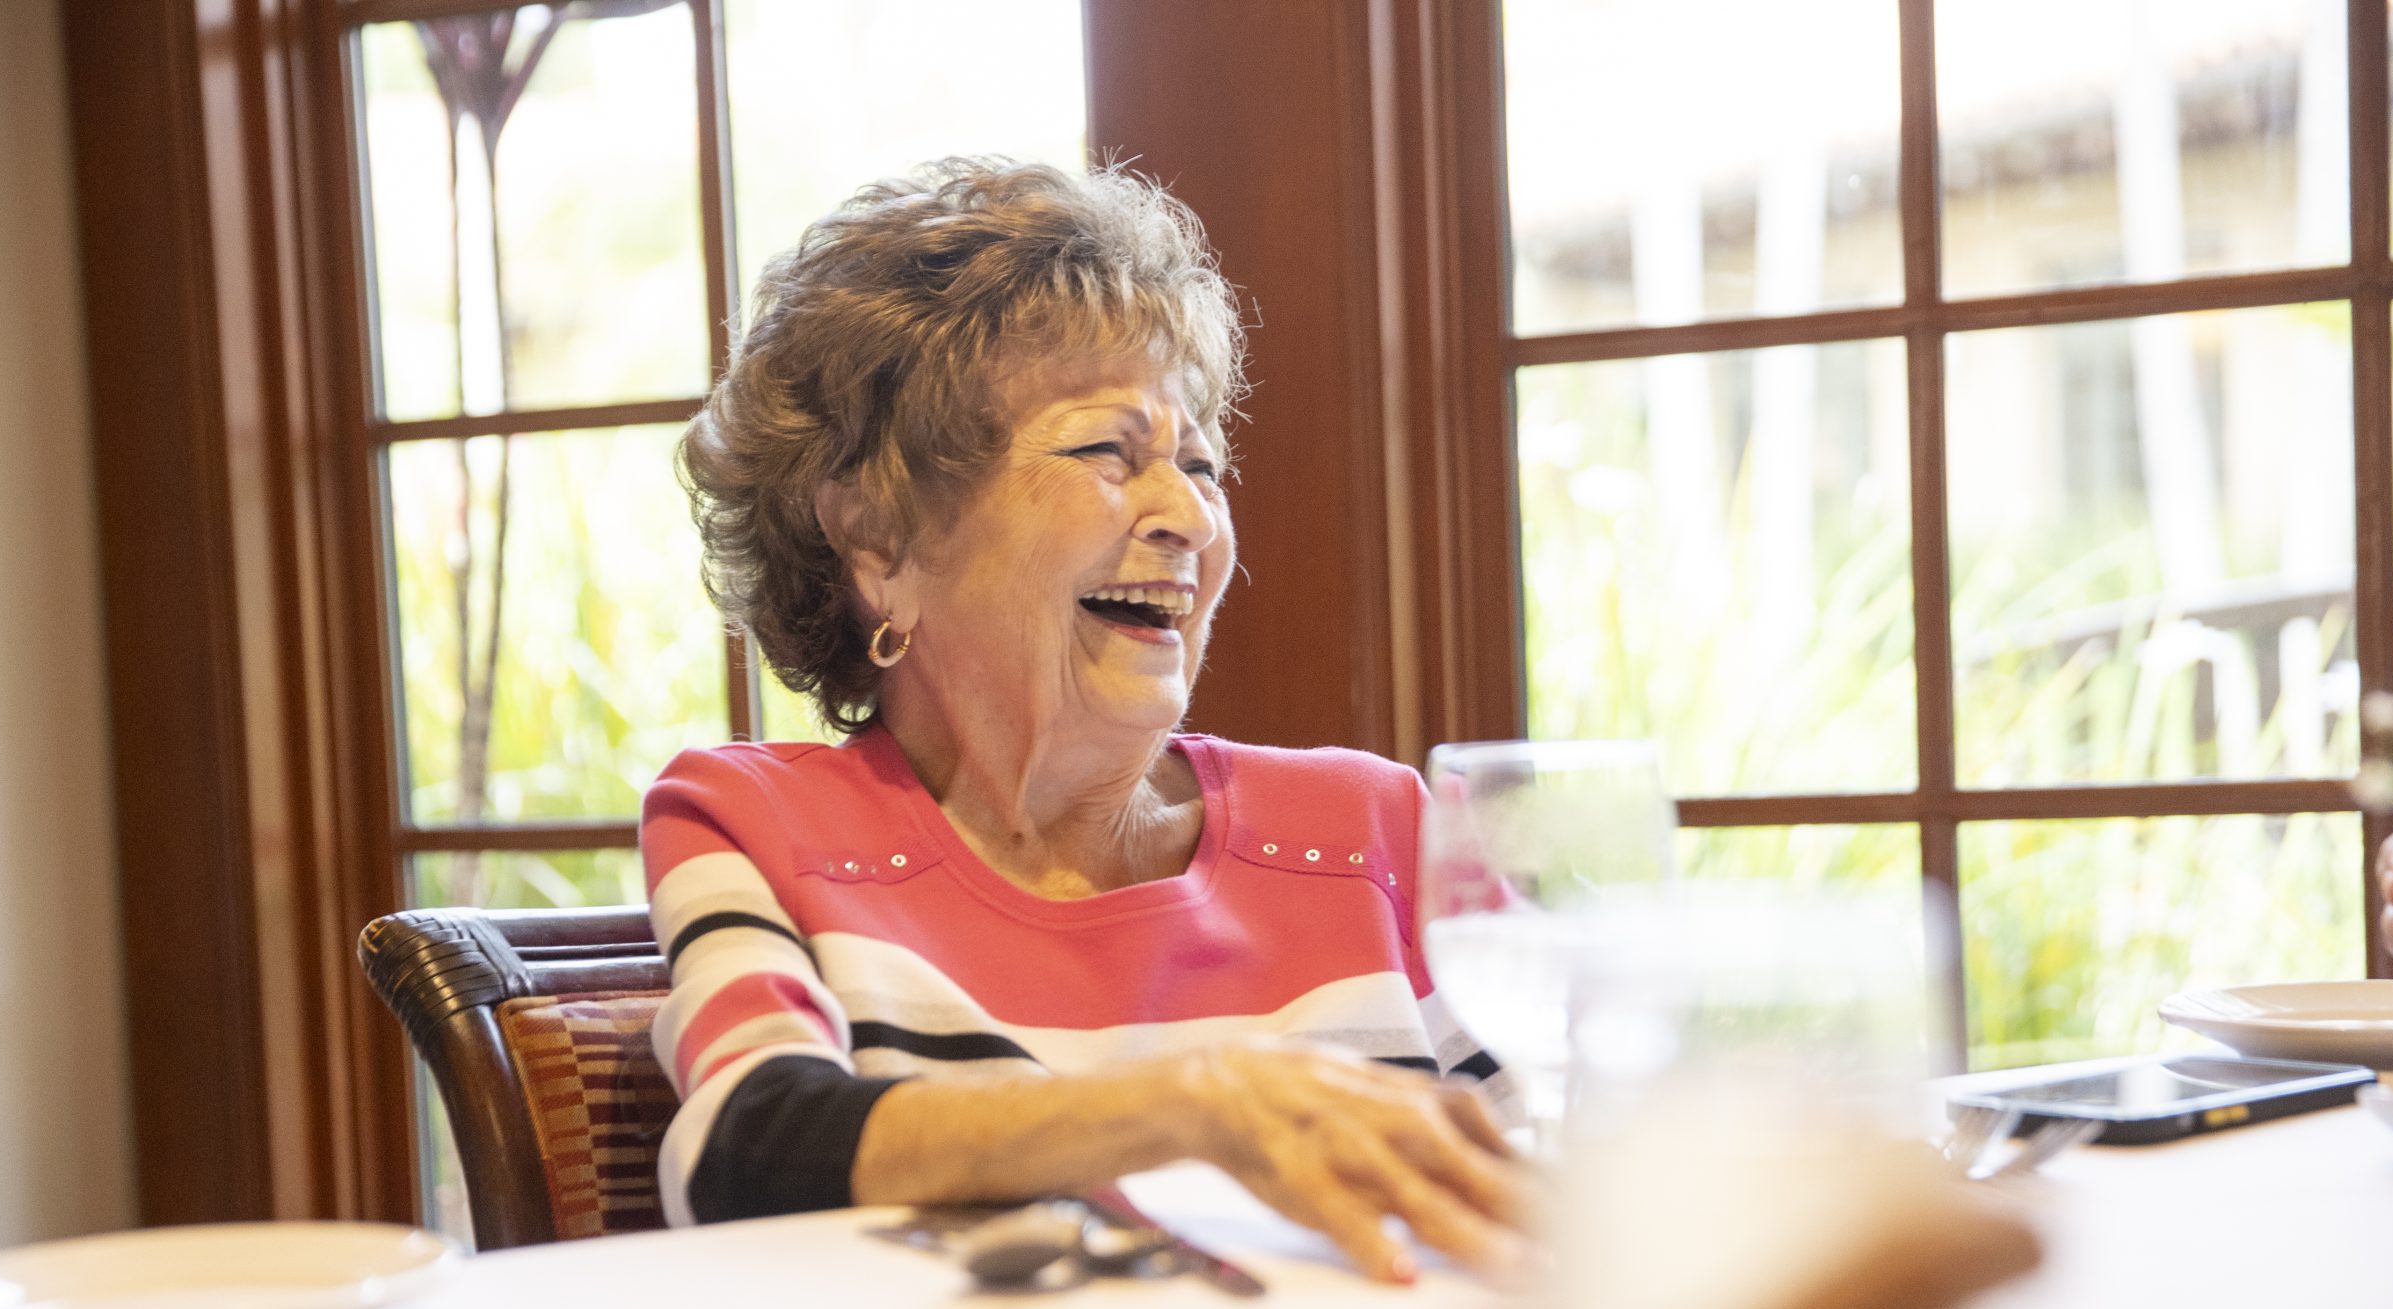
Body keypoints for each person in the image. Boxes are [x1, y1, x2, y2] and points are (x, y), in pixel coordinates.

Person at [646, 157, 2035, 1297]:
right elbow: (747, 1138)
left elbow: (1567, 1162)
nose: (1188, 514)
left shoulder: (1366, 830)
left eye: (1198, 459)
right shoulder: (759, 823)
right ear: (878, 536)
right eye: (1106, 452)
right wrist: (1198, 1098)